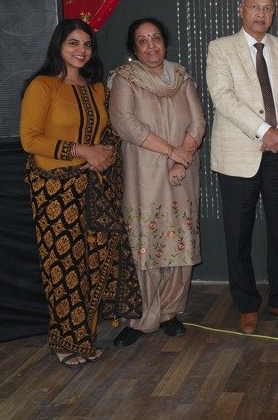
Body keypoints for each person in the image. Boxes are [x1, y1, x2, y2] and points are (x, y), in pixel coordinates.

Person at [20, 18, 142, 368]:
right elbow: (30, 139)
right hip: (53, 191)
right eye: (73, 43)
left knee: (91, 263)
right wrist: (81, 151)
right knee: (62, 266)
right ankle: (65, 342)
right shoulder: (42, 86)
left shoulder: (96, 88)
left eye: (87, 44)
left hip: (91, 188)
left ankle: (85, 338)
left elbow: (108, 133)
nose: (81, 50)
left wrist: (104, 154)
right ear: (58, 46)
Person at [206, 0, 278, 334]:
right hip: (238, 154)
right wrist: (264, 131)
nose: (261, 14)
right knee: (238, 233)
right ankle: (247, 305)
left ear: (274, 12)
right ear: (241, 9)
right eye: (254, 6)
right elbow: (223, 97)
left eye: (267, 8)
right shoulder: (220, 48)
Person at [108, 18, 206, 346]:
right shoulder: (126, 79)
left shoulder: (180, 76)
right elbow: (126, 123)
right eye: (143, 40)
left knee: (180, 239)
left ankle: (169, 312)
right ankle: (141, 318)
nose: (151, 46)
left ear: (165, 42)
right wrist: (172, 152)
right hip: (145, 174)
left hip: (182, 173)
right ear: (134, 48)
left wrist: (181, 158)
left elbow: (198, 122)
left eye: (156, 38)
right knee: (145, 241)